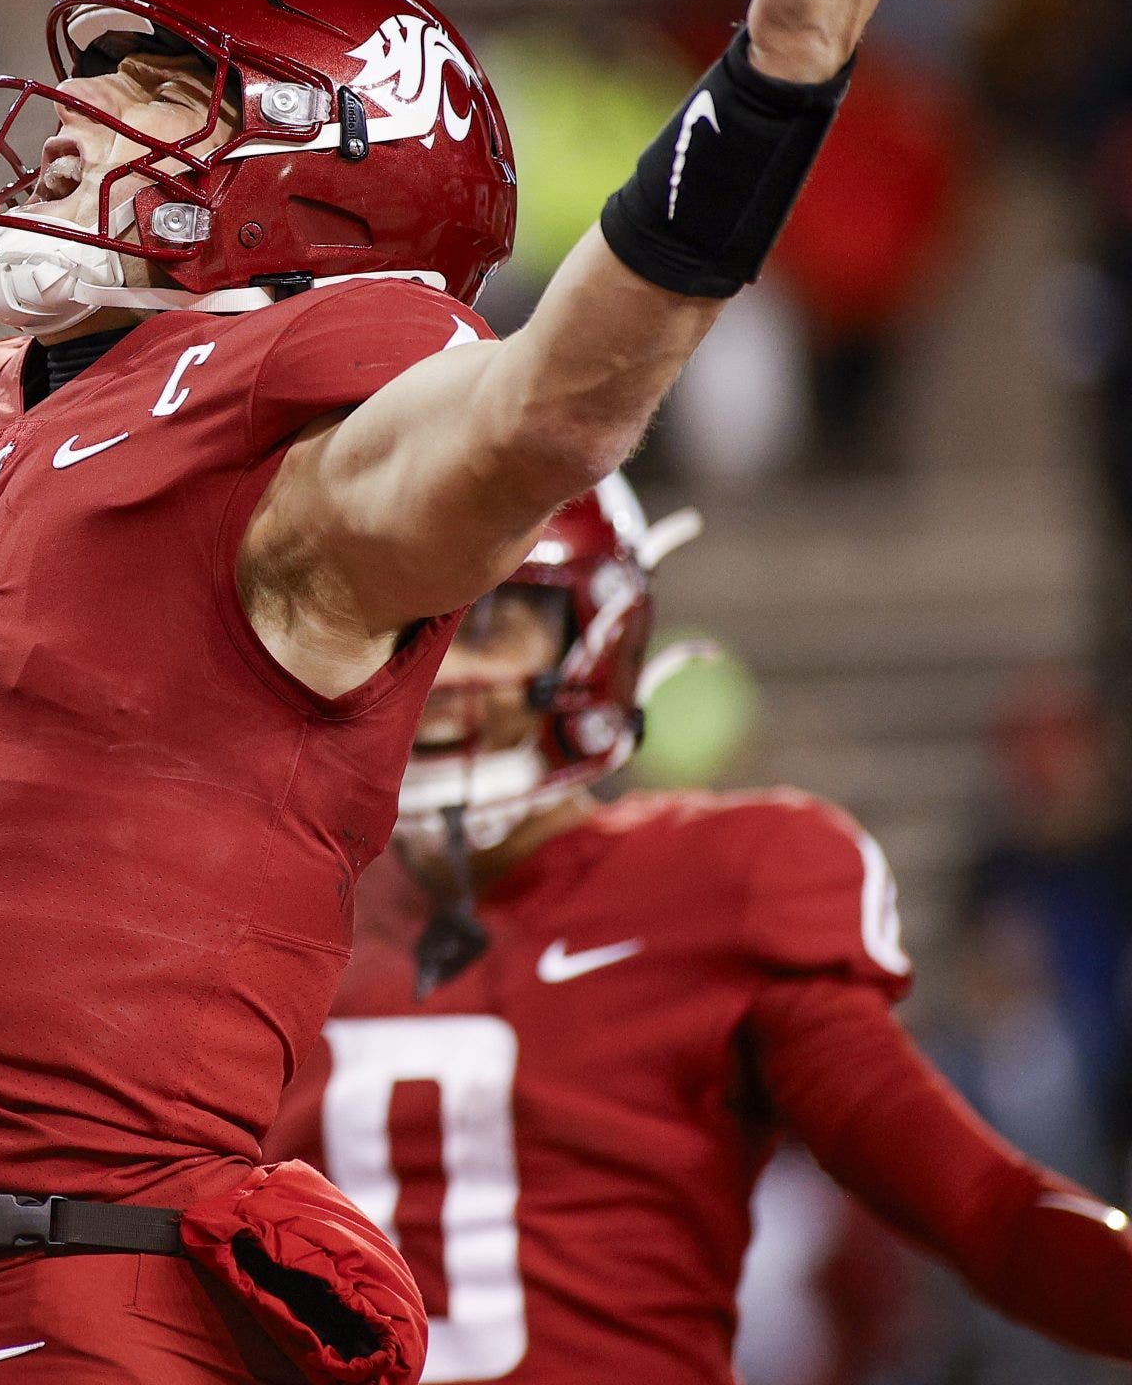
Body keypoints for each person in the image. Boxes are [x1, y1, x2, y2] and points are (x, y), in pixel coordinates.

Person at [0, 0, 1003, 1384]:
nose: (81, 116)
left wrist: (775, 78)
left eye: (155, 88)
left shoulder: (296, 403)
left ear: (315, 156)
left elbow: (550, 404)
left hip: (75, 1290)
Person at [264, 479, 1132, 1383]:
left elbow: (975, 1203)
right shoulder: (258, 903)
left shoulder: (721, 881)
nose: (439, 669)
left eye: (487, 625)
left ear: (595, 639)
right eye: (405, 620)